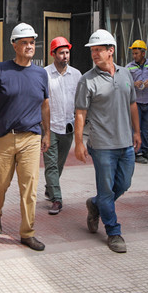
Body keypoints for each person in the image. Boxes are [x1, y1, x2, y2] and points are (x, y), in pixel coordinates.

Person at [74, 29, 141, 254]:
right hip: (102, 146)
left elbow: (133, 104)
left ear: (110, 50)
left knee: (123, 185)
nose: (94, 54)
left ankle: (94, 205)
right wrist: (79, 143)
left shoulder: (125, 74)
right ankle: (113, 232)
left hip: (125, 143)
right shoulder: (87, 80)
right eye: (92, 51)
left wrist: (137, 132)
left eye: (98, 50)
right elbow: (80, 113)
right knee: (106, 192)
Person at [0, 22, 49, 251]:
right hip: (4, 137)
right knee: (0, 184)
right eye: (25, 43)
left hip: (31, 137)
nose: (30, 46)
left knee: (30, 186)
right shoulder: (0, 69)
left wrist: (47, 132)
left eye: (32, 43)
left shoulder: (41, 73)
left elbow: (45, 105)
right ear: (14, 45)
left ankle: (27, 232)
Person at [43, 37, 81, 215]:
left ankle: (50, 187)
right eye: (61, 53)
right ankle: (57, 199)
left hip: (68, 127)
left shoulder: (76, 75)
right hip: (50, 127)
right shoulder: (44, 74)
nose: (65, 56)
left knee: (59, 164)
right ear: (53, 54)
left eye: (67, 53)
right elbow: (40, 102)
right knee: (50, 165)